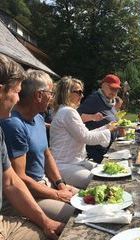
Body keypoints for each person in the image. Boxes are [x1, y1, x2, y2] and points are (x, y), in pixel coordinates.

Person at [0, 53, 64, 239]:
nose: (19, 99)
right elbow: (19, 179)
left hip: (31, 194)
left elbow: (11, 181)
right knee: (74, 219)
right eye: (16, 92)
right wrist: (56, 194)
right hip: (17, 205)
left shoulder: (4, 129)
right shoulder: (11, 124)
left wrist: (59, 185)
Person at [50, 76, 114, 188]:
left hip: (75, 162)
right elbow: (86, 138)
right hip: (66, 165)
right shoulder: (68, 112)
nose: (82, 95)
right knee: (101, 181)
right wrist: (108, 130)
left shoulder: (63, 110)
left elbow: (83, 134)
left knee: (108, 171)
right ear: (67, 93)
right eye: (78, 92)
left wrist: (105, 128)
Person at [78, 74, 120, 163]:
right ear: (103, 85)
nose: (114, 92)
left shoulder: (110, 101)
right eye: (112, 88)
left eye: (116, 89)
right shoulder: (94, 99)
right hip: (96, 150)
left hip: (107, 148)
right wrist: (92, 117)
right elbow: (77, 117)